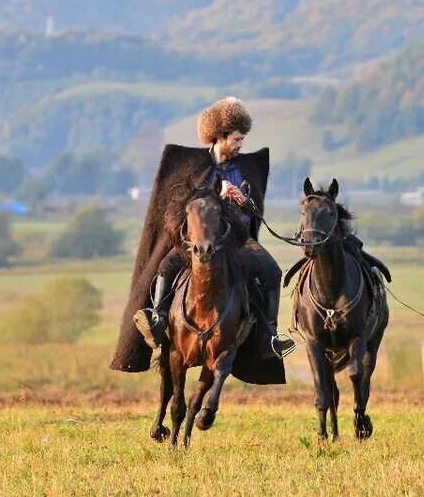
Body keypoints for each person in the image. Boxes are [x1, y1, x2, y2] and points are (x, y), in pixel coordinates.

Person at [108, 98, 294, 383]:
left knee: (271, 271)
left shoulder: (244, 168)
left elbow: (254, 211)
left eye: (243, 139)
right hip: (197, 242)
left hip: (237, 242)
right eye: (236, 139)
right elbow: (175, 208)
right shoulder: (191, 167)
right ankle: (157, 318)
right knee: (166, 266)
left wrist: (243, 200)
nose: (240, 145)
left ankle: (268, 336)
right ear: (219, 137)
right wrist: (215, 197)